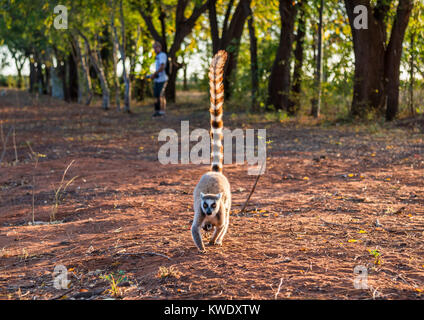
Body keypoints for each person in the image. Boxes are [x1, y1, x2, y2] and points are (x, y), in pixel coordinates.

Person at [147, 41, 168, 117]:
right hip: (157, 79)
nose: (155, 49)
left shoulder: (162, 55)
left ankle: (162, 111)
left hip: (162, 79)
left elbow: (162, 67)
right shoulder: (157, 56)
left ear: (160, 47)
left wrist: (154, 74)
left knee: (160, 95)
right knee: (156, 95)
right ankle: (157, 110)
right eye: (154, 48)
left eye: (156, 47)